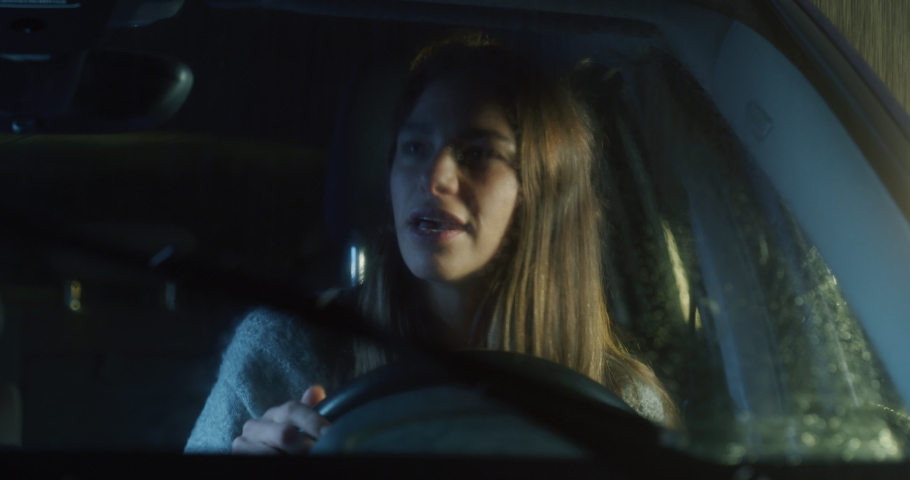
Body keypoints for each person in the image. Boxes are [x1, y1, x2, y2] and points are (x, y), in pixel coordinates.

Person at [184, 33, 678, 455]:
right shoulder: (283, 356)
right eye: (415, 147)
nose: (436, 177)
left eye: (478, 153)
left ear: (543, 194)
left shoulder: (625, 403)